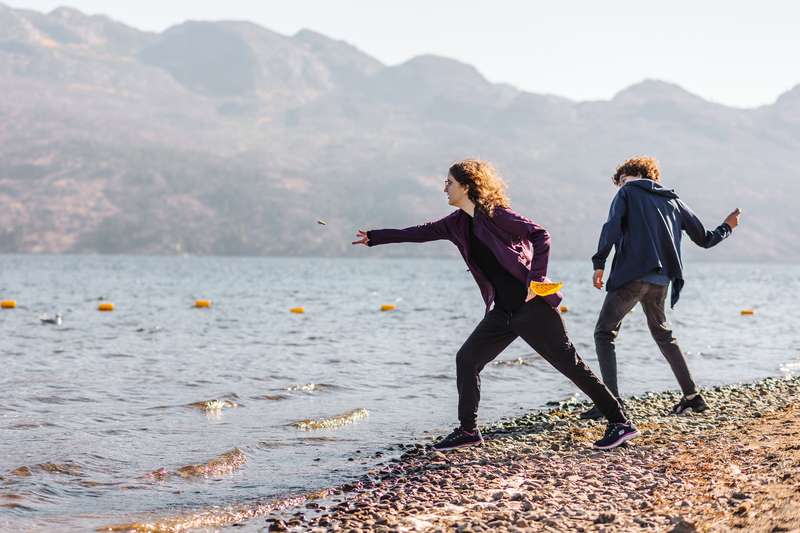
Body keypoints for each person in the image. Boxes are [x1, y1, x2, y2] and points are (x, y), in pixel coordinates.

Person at [353, 159, 638, 450]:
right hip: (503, 311)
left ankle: (620, 423)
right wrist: (375, 238)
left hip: (532, 308)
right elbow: (419, 232)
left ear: (466, 186)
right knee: (467, 360)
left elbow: (541, 235)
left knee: (570, 365)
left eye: (449, 183)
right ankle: (468, 431)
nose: (445, 188)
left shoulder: (496, 214)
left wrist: (536, 280)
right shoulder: (457, 223)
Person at [581, 156, 741, 420]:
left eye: (621, 180)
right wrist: (727, 227)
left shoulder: (628, 192)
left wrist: (599, 262)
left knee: (604, 333)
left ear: (631, 176)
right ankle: (692, 397)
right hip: (661, 281)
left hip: (631, 278)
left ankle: (610, 404)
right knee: (663, 334)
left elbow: (611, 227)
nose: (620, 186)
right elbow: (704, 239)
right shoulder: (674, 201)